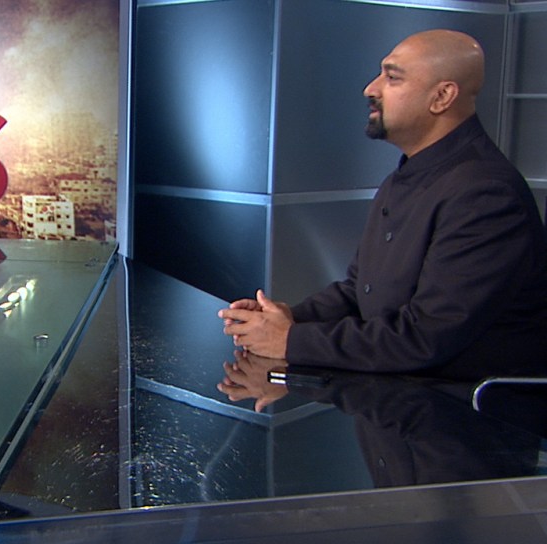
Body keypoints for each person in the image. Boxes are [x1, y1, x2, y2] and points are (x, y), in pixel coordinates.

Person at [218, 29, 547, 385]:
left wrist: (291, 341)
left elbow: (425, 338)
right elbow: (360, 292)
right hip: (397, 399)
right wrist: (288, 319)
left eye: (392, 77)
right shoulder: (404, 178)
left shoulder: (485, 193)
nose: (370, 89)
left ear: (442, 97)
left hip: (458, 410)